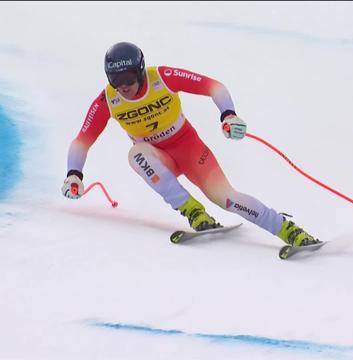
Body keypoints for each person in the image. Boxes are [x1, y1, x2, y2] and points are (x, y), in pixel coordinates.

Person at [61, 42, 319, 247]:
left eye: (128, 77)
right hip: (159, 159)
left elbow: (213, 86)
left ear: (140, 70)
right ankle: (194, 212)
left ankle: (289, 231)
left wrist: (228, 114)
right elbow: (82, 140)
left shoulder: (161, 77)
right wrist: (74, 175)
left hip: (190, 150)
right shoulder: (108, 100)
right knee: (137, 155)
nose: (124, 87)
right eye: (116, 80)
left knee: (227, 199)